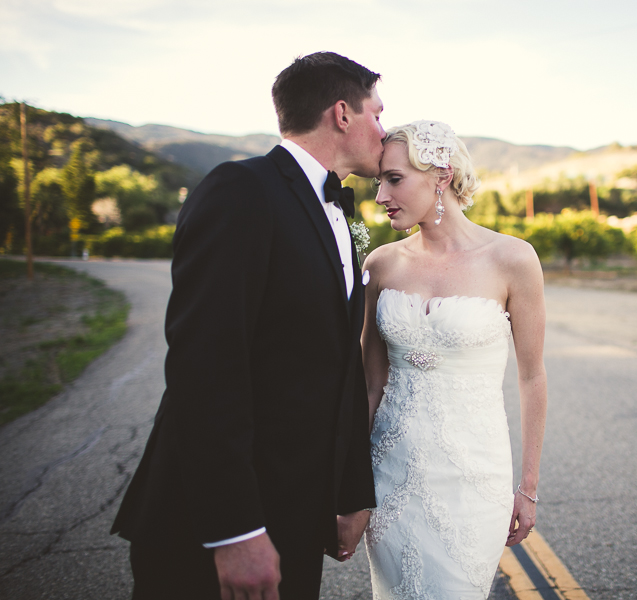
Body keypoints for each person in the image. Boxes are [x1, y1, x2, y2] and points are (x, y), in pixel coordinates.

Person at [110, 51, 385, 599]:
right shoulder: (241, 190)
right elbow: (204, 367)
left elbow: (339, 365)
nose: (385, 129)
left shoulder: (343, 214)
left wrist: (350, 492)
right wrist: (234, 530)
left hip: (299, 515)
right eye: (378, 113)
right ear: (342, 114)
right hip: (216, 527)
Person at [360, 121, 547, 598]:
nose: (381, 195)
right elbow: (369, 384)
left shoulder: (513, 259)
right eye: (378, 180)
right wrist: (348, 487)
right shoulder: (380, 265)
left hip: (473, 478)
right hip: (389, 476)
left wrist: (527, 488)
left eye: (394, 179)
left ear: (441, 175)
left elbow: (532, 377)